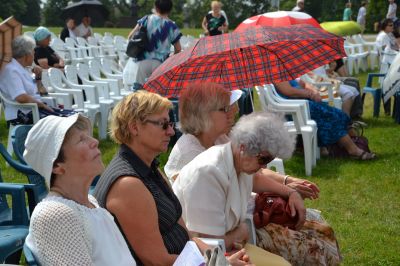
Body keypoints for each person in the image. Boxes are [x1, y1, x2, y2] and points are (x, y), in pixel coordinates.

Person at [93, 91, 253, 265]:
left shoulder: (149, 168)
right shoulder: (128, 185)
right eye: (162, 125)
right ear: (135, 127)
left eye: (170, 123)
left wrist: (221, 259)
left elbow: (188, 236)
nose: (170, 131)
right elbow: (157, 261)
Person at [173, 112, 341, 265]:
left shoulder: (237, 160)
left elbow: (256, 178)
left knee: (323, 233)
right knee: (305, 253)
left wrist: (291, 192)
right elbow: (209, 245)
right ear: (243, 147)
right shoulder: (208, 174)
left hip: (234, 244)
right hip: (214, 257)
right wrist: (241, 231)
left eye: (270, 159)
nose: (265, 165)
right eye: (263, 159)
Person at [165, 82, 320, 201]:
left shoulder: (220, 138)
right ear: (204, 114)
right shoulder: (190, 152)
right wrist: (281, 193)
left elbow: (253, 174)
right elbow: (219, 198)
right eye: (226, 108)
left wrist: (287, 183)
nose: (235, 110)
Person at [23, 114, 137, 265]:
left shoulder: (90, 203)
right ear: (57, 166)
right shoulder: (56, 215)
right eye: (82, 139)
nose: (95, 142)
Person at [275, 80, 376, 160]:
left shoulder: (281, 70)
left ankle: (357, 144)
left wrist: (311, 91)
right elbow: (288, 91)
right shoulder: (274, 70)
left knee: (338, 114)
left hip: (301, 105)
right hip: (294, 109)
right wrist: (309, 94)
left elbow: (300, 84)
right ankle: (353, 149)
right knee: (331, 116)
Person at [0, 35, 74, 126]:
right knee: (70, 121)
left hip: (34, 110)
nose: (34, 54)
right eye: (33, 51)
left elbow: (40, 92)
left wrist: (38, 78)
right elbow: (21, 97)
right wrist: (42, 105)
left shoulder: (24, 68)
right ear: (26, 55)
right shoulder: (11, 70)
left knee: (75, 116)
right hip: (23, 114)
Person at [124, 0, 182, 91]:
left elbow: (131, 36)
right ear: (170, 10)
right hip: (161, 64)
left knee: (139, 93)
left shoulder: (146, 19)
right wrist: (170, 57)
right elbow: (178, 49)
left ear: (156, 7)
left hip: (142, 61)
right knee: (157, 95)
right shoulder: (172, 26)